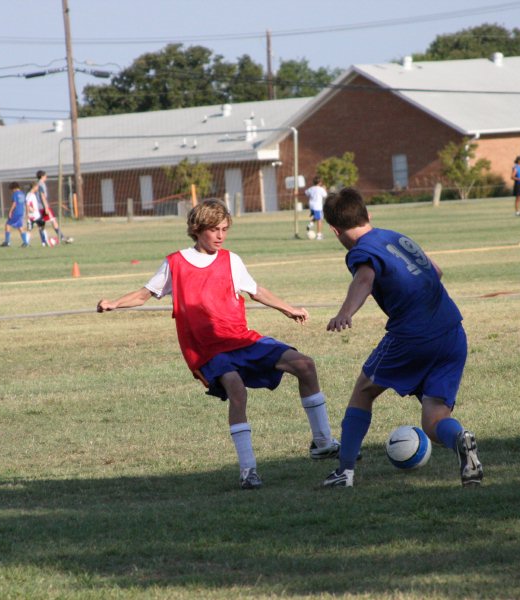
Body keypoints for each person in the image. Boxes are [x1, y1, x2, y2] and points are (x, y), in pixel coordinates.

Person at [97, 199, 340, 490]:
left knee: (305, 365)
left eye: (225, 229)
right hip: (207, 349)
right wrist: (113, 303)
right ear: (197, 230)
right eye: (215, 230)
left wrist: (288, 308)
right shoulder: (175, 263)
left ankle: (323, 442)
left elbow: (256, 290)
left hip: (240, 338)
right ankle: (248, 471)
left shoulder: (231, 260)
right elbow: (144, 294)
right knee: (236, 388)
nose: (221, 236)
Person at [320, 187, 483, 489]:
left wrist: (345, 312)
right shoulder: (395, 236)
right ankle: (460, 439)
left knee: (364, 391)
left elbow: (365, 278)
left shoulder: (359, 251)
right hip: (451, 331)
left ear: (334, 229)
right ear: (368, 214)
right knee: (434, 419)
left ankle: (344, 472)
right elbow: (437, 270)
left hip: (413, 335)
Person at [36, 170, 70, 243]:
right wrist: (46, 207)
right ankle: (62, 237)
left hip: (39, 207)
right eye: (45, 175)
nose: (46, 177)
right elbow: (42, 197)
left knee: (42, 225)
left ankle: (43, 242)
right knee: (53, 221)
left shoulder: (37, 184)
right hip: (43, 207)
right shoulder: (41, 184)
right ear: (42, 176)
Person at [0, 182, 30, 247]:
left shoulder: (15, 194)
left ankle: (7, 242)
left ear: (14, 188)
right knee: (20, 227)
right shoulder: (22, 194)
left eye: (11, 189)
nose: (11, 191)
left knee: (8, 225)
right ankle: (25, 242)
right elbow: (26, 204)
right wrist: (27, 213)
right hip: (21, 212)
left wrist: (10, 211)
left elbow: (14, 203)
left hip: (16, 212)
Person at [25, 181, 49, 247]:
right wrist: (27, 213)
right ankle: (26, 243)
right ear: (34, 187)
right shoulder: (29, 195)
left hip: (36, 215)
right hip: (33, 216)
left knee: (42, 227)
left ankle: (45, 242)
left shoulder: (32, 194)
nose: (38, 188)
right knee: (30, 229)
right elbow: (27, 204)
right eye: (37, 187)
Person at [305, 176, 327, 240]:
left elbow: (306, 193)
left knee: (316, 217)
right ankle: (319, 235)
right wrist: (325, 189)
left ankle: (310, 225)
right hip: (318, 206)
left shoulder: (311, 188)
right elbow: (325, 195)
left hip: (311, 206)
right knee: (319, 219)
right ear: (320, 182)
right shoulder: (321, 189)